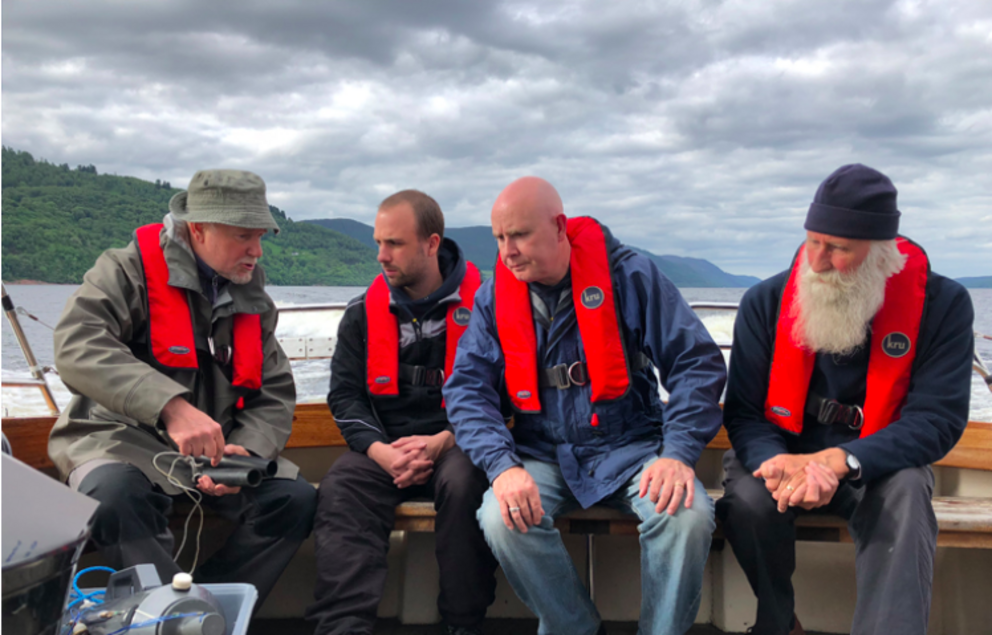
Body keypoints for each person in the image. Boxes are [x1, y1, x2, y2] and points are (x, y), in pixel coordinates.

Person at [443, 177, 727, 635]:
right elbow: (466, 390)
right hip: (543, 453)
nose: (507, 250)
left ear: (559, 228)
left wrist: (677, 454)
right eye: (499, 238)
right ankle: (574, 627)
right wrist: (502, 466)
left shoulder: (631, 276)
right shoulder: (495, 297)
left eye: (519, 235)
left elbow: (696, 364)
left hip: (631, 447)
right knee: (499, 517)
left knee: (686, 518)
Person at [716, 164, 975, 635]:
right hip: (786, 451)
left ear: (881, 252)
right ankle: (777, 623)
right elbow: (746, 413)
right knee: (748, 497)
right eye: (813, 240)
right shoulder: (765, 301)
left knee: (907, 493)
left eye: (837, 249)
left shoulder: (945, 305)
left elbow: (936, 420)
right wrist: (778, 463)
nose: (816, 260)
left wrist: (842, 461)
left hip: (878, 462)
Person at [49, 169, 316, 603]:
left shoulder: (253, 295)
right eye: (244, 236)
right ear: (199, 229)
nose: (257, 250)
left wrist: (248, 448)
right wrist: (171, 407)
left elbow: (274, 390)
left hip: (216, 454)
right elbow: (77, 344)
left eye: (261, 235)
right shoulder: (125, 270)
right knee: (112, 497)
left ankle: (206, 611)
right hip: (121, 440)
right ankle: (179, 618)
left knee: (294, 501)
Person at [306, 190, 498, 635]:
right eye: (378, 243)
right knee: (341, 487)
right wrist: (380, 451)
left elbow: (502, 395)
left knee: (466, 481)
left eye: (394, 244)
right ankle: (341, 628)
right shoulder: (361, 313)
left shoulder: (487, 308)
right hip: (385, 442)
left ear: (432, 244)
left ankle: (463, 625)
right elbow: (346, 396)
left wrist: (443, 440)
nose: (381, 255)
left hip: (459, 439)